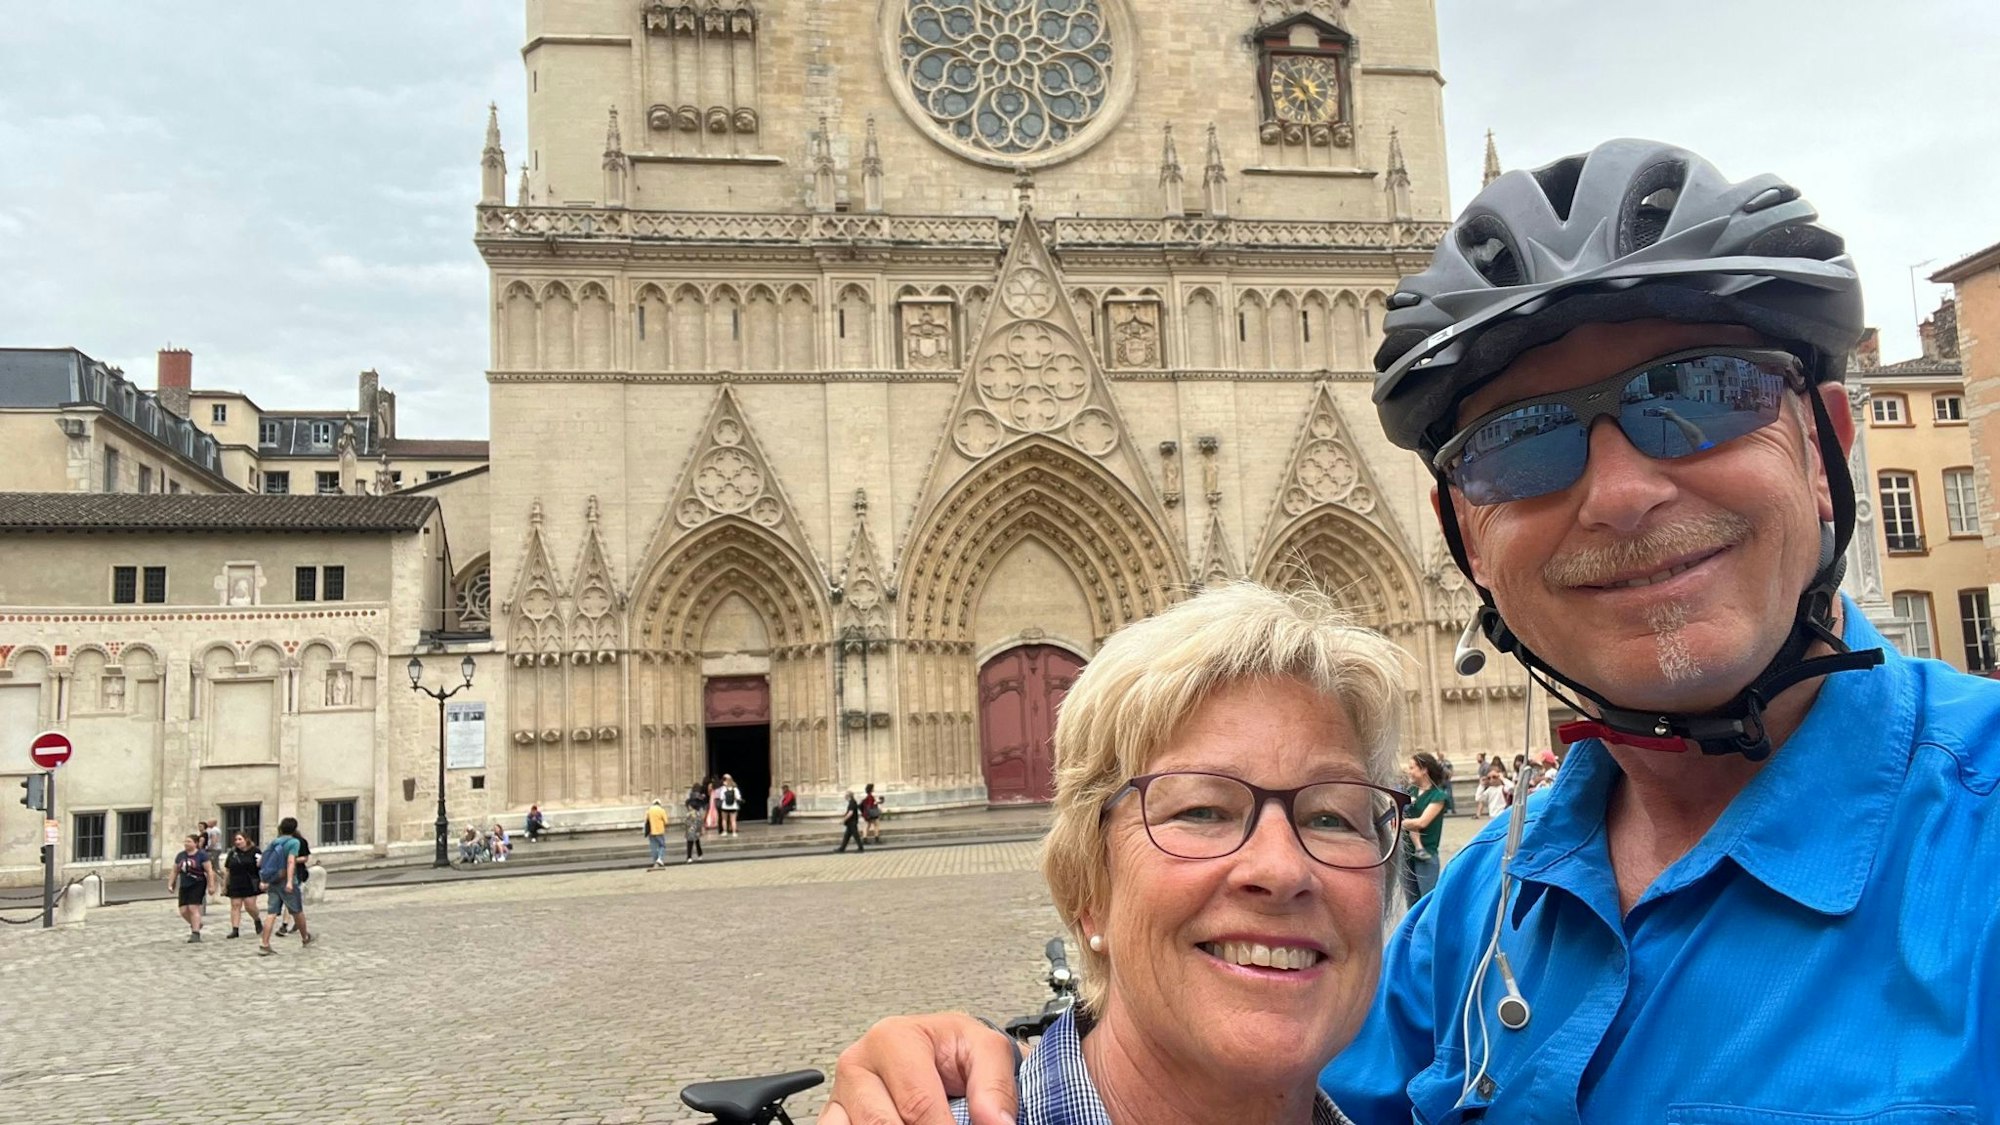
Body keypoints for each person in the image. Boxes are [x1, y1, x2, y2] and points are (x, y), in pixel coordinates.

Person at [819, 139, 2000, 1123]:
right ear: (1465, 539)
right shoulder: (1476, 917)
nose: (1622, 490)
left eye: (1698, 395)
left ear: (1826, 443)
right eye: (1523, 440)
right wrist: (1005, 1078)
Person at [1399, 753, 1450, 900]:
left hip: (1426, 856)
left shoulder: (1437, 796)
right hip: (1407, 855)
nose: (1409, 771)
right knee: (1411, 904)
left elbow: (1422, 822)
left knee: (1426, 903)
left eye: (1412, 767)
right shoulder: (1410, 792)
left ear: (1424, 770)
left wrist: (1403, 823)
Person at [257, 817, 311, 954]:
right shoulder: (293, 842)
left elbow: (261, 861)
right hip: (286, 880)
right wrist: (289, 881)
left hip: (273, 881)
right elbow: (291, 862)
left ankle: (264, 944)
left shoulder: (274, 842)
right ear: (295, 828)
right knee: (297, 911)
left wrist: (264, 879)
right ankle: (305, 937)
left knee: (271, 913)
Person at [168, 834, 215, 943]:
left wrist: (211, 885)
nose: (186, 844)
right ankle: (197, 924)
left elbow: (209, 871)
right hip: (185, 884)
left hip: (198, 883)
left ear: (196, 843)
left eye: (189, 842)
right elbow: (175, 870)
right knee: (183, 910)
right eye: (185, 842)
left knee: (193, 908)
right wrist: (171, 883)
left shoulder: (201, 855)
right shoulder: (180, 855)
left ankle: (195, 933)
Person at [220, 831, 264, 940]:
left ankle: (257, 919)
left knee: (250, 905)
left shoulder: (255, 851)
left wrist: (264, 881)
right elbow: (227, 870)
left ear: (246, 840)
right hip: (235, 882)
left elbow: (262, 867)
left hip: (250, 882)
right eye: (236, 840)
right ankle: (235, 929)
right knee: (235, 905)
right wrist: (225, 885)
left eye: (240, 839)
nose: (237, 842)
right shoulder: (233, 853)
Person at [644, 798, 671, 869]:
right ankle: (660, 859)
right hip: (659, 831)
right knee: (662, 845)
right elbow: (666, 821)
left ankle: (655, 862)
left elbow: (646, 821)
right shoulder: (661, 810)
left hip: (651, 832)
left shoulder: (649, 810)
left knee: (653, 847)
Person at [684, 798, 705, 864]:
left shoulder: (688, 814)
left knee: (689, 844)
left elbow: (686, 823)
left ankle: (689, 857)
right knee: (697, 843)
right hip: (696, 831)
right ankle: (700, 855)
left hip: (690, 830)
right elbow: (700, 822)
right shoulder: (698, 813)